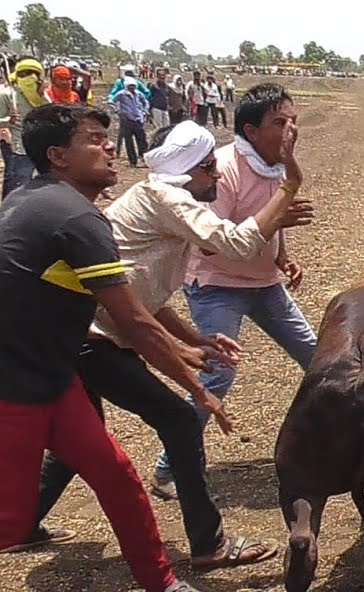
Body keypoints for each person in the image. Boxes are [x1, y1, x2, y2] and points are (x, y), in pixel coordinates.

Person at [29, 120, 312, 567]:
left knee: (79, 437)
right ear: (188, 170)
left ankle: (24, 523)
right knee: (180, 420)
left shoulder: (153, 203)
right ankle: (208, 543)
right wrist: (289, 184)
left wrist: (193, 337)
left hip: (80, 333)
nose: (217, 177)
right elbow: (234, 245)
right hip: (93, 338)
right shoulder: (167, 198)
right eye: (209, 168)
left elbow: (144, 297)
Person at [0, 103, 222, 592]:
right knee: (8, 524)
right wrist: (196, 386)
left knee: (117, 475)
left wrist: (189, 348)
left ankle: (160, 582)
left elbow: (142, 309)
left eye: (107, 137)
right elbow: (136, 324)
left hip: (53, 380)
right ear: (58, 156)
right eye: (94, 140)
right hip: (14, 389)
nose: (109, 146)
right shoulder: (76, 218)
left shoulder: (34, 199)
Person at [154, 83, 318, 491]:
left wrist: (282, 257)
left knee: (317, 358)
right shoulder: (222, 170)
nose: (290, 130)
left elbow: (265, 221)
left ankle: (330, 439)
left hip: (264, 284)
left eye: (293, 120)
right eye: (280, 122)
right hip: (217, 286)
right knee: (216, 376)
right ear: (250, 130)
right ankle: (168, 469)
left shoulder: (277, 165)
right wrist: (273, 227)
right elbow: (208, 245)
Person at [0, 57, 46, 198]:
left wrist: (41, 94)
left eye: (32, 74)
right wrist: (9, 120)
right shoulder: (7, 94)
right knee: (17, 187)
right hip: (18, 148)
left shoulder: (40, 94)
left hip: (39, 146)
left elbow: (49, 112)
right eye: (24, 74)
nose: (28, 78)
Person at [111, 78, 150, 168]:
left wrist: (144, 111)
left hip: (138, 120)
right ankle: (133, 161)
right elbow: (111, 102)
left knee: (142, 140)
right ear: (126, 86)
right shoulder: (121, 94)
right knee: (129, 142)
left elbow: (146, 102)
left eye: (133, 86)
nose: (132, 88)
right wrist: (118, 111)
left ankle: (145, 159)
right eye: (130, 86)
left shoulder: (139, 94)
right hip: (126, 120)